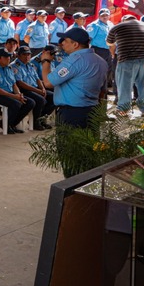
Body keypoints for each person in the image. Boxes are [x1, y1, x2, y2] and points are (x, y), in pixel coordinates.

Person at [40, 29, 108, 176]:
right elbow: (103, 91)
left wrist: (45, 62)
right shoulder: (101, 61)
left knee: (70, 154)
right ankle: (87, 189)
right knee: (88, 152)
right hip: (93, 111)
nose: (62, 43)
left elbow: (48, 82)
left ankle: (71, 191)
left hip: (71, 114)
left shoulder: (74, 61)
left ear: (75, 44)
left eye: (65, 40)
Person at [107, 15, 144, 115]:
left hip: (127, 60)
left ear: (124, 20)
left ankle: (123, 110)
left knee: (124, 86)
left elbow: (109, 42)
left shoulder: (117, 27)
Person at [0, 48, 36, 135]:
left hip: (8, 93)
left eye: (9, 57)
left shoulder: (9, 68)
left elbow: (14, 84)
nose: (9, 59)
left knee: (30, 102)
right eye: (6, 57)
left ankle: (11, 124)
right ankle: (6, 125)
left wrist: (18, 94)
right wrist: (14, 96)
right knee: (16, 103)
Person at [11, 46, 54, 130]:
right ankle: (35, 122)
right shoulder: (15, 66)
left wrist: (42, 89)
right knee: (41, 100)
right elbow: (20, 83)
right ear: (18, 55)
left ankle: (41, 119)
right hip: (24, 90)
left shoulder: (30, 64)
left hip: (35, 88)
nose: (27, 56)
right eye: (24, 54)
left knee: (53, 97)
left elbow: (37, 78)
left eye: (28, 54)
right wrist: (37, 90)